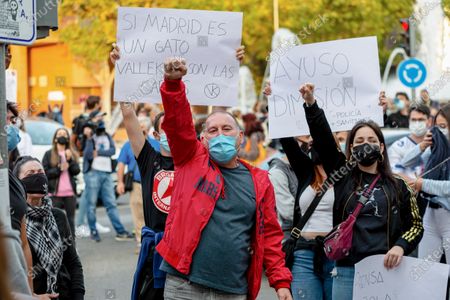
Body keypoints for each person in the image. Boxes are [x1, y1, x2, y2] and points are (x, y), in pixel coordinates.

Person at [152, 56, 292, 300]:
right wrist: (173, 84)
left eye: (227, 129)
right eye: (212, 130)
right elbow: (178, 123)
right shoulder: (190, 159)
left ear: (240, 137)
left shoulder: (259, 180)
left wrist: (280, 281)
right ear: (203, 139)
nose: (220, 135)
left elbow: (269, 234)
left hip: (233, 289)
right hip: (184, 286)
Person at [298, 83, 423, 300]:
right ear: (351, 148)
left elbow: (416, 225)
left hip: (387, 269)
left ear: (382, 147)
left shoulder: (399, 185)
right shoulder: (342, 176)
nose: (366, 144)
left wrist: (401, 247)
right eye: (360, 141)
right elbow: (324, 137)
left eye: (372, 140)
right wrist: (310, 103)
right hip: (346, 272)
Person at [265, 85, 335, 300]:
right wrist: (274, 103)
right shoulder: (306, 171)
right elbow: (287, 140)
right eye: (310, 140)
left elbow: (322, 131)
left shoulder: (344, 171)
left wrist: (311, 103)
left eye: (317, 139)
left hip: (337, 255)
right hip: (303, 254)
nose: (312, 143)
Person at [13, 156, 85, 299]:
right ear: (18, 183)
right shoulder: (14, 220)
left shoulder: (58, 215)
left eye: (40, 172)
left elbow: (73, 262)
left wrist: (78, 294)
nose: (37, 177)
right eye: (30, 174)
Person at [404, 104, 450, 263]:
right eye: (437, 126)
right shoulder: (437, 149)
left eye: (444, 126)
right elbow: (406, 162)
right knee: (426, 271)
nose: (440, 131)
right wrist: (422, 146)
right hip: (431, 215)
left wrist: (422, 184)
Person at [82, 116, 133, 242]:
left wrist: (98, 153)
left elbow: (112, 151)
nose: (101, 129)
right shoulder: (89, 138)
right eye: (98, 127)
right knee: (91, 205)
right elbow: (88, 154)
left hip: (106, 173)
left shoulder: (107, 136)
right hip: (93, 173)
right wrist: (89, 138)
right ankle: (93, 231)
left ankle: (120, 231)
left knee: (111, 204)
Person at [6, 101, 34, 291]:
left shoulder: (14, 182)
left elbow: (24, 243)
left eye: (12, 120)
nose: (10, 126)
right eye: (5, 119)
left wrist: (30, 292)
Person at [116, 116, 154, 251]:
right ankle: (141, 242)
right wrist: (120, 182)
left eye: (143, 126)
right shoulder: (128, 145)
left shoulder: (156, 143)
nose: (141, 128)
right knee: (138, 214)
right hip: (137, 184)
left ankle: (153, 242)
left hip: (153, 184)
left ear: (148, 128)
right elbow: (121, 164)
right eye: (139, 125)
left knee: (152, 214)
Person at [42, 128, 81, 237]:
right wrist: (58, 169)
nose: (62, 136)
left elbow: (76, 171)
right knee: (55, 221)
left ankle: (72, 247)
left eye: (64, 134)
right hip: (55, 194)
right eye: (60, 134)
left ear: (68, 138)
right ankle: (56, 246)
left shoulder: (71, 153)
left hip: (70, 193)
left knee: (70, 221)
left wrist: (70, 160)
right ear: (55, 139)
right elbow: (45, 173)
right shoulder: (49, 154)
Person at [388, 105, 432, 181]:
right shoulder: (397, 147)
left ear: (429, 121)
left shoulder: (437, 143)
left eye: (421, 119)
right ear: (409, 121)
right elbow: (393, 172)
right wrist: (414, 184)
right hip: (407, 190)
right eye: (413, 120)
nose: (417, 123)